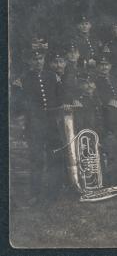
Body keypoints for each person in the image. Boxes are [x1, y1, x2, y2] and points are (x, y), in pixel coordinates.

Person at [19, 49, 64, 205]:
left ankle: (53, 193)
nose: (38, 62)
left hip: (52, 124)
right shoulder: (24, 79)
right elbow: (20, 104)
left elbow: (61, 97)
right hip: (35, 125)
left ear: (44, 60)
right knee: (37, 159)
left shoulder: (52, 76)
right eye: (35, 59)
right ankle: (36, 193)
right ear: (29, 61)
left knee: (55, 157)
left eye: (40, 58)